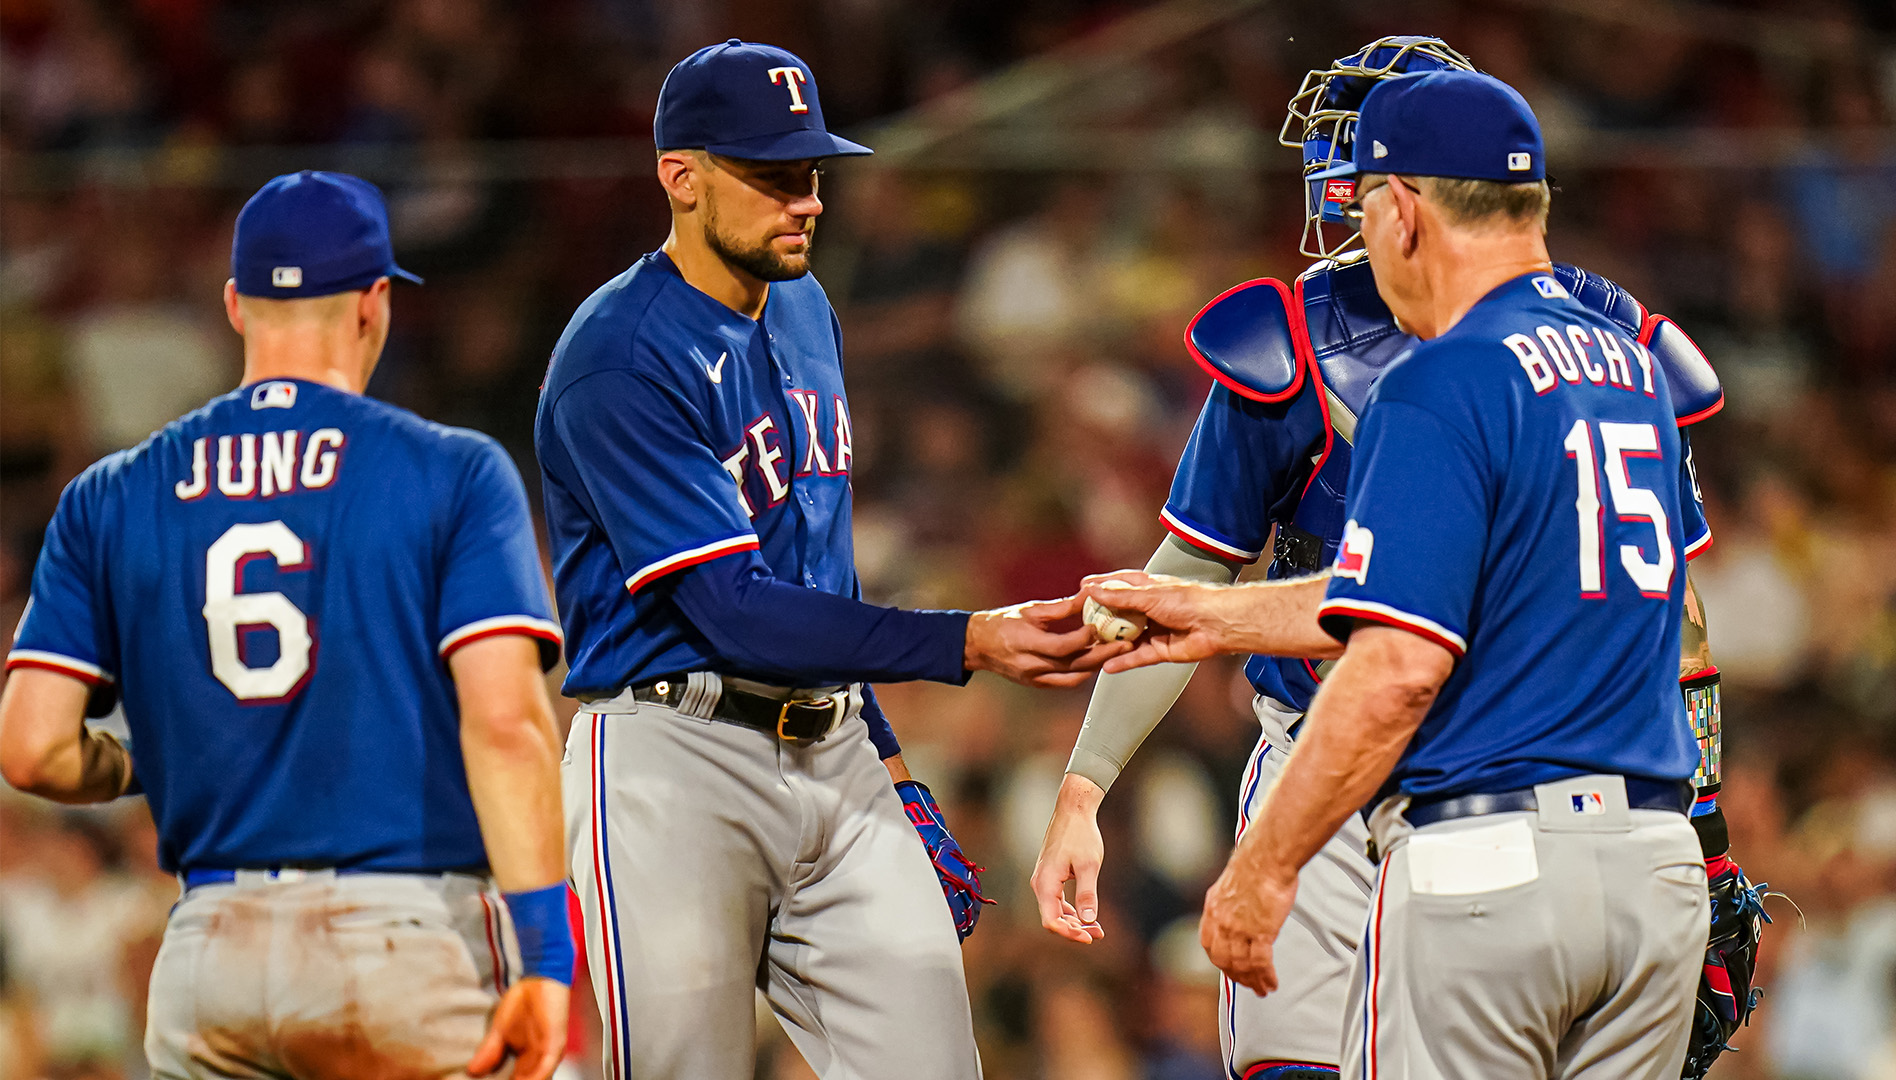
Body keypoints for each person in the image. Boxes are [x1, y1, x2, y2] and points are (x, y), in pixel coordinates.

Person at [1031, 36, 1761, 1080]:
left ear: (1401, 201)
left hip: (1466, 809)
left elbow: (1399, 647)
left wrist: (1258, 863)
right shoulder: (1624, 351)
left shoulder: (1437, 380)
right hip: (1581, 814)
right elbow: (1649, 618)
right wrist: (1703, 820)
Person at [533, 41, 1123, 1080]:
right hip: (674, 759)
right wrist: (968, 640)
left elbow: (819, 577)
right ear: (683, 177)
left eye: (811, 172)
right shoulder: (619, 356)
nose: (803, 199)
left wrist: (889, 758)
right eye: (770, 174)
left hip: (835, 747)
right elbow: (732, 608)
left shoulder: (806, 311)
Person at [0, 172, 572, 1079]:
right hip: (399, 939)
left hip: (206, 954)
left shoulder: (109, 494)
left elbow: (31, 750)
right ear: (375, 302)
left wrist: (142, 766)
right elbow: (505, 725)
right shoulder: (453, 473)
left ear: (235, 305)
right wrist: (546, 955)